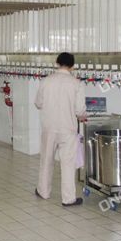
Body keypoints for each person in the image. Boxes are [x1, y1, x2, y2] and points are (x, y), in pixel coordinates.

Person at [34, 52, 86, 207]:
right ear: (73, 67)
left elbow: (38, 103)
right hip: (68, 129)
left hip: (49, 128)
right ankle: (68, 199)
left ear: (57, 64)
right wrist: (82, 116)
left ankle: (43, 191)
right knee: (68, 164)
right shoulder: (76, 84)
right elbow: (80, 110)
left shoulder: (46, 81)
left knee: (46, 160)